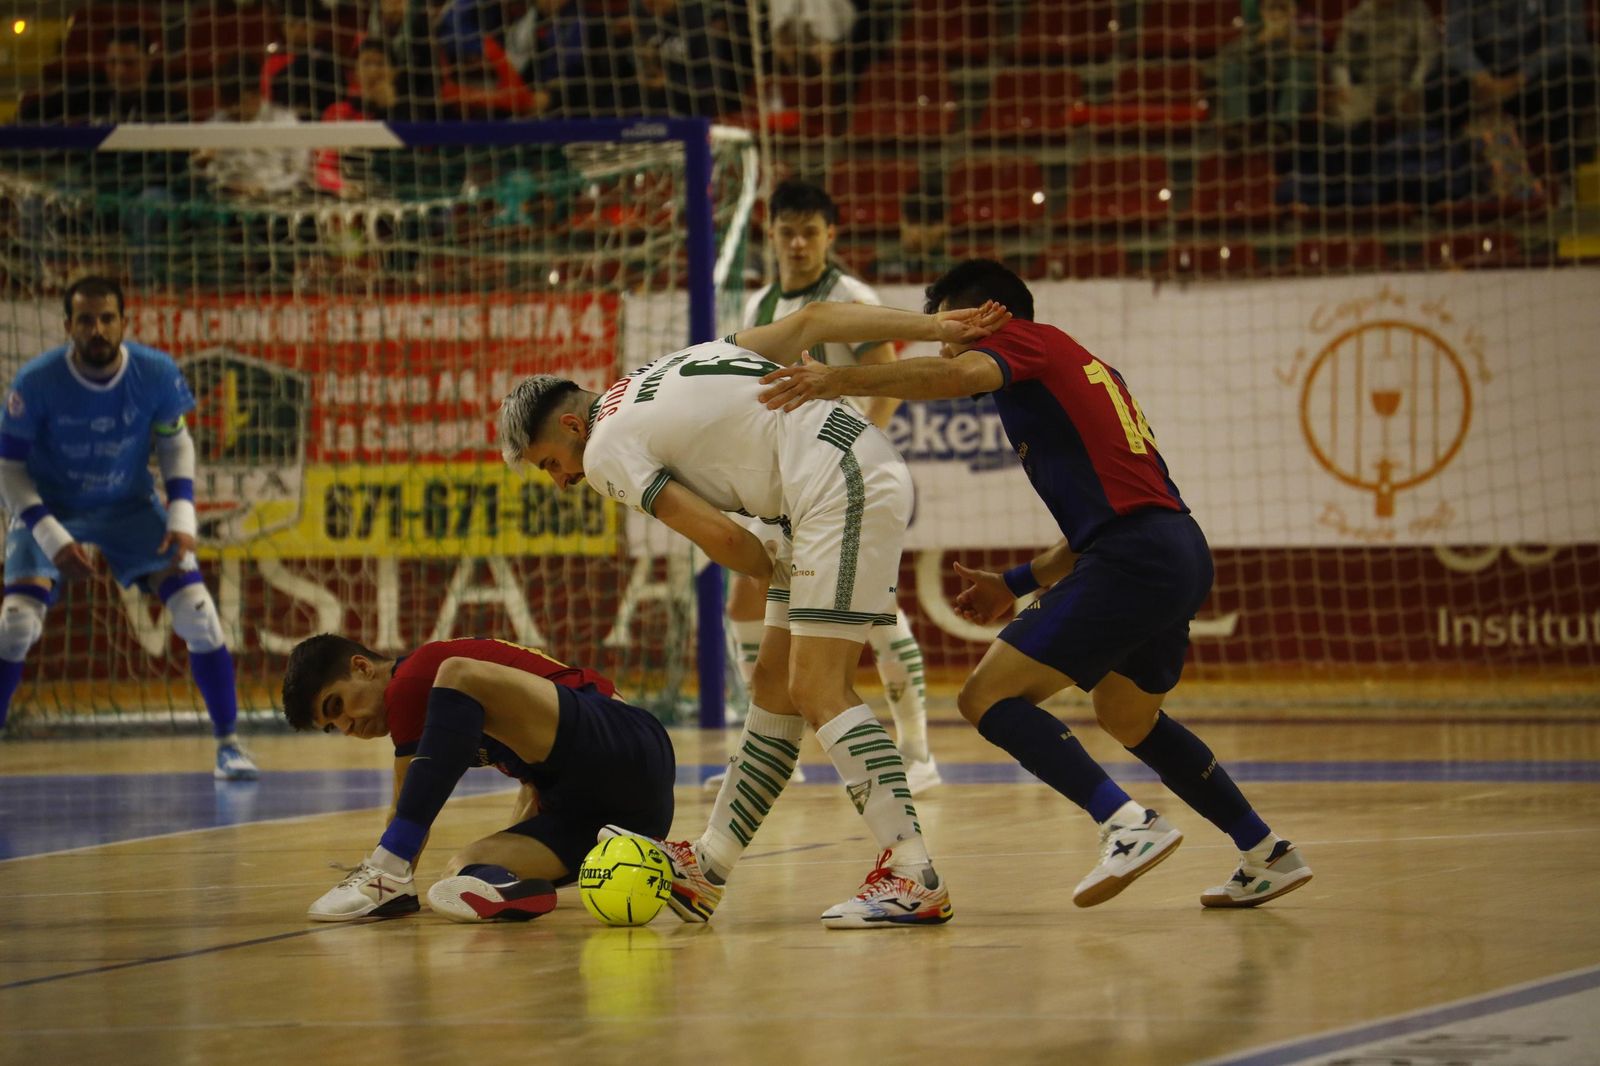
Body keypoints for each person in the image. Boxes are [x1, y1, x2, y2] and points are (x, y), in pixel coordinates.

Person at [758, 259, 1314, 910]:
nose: (941, 344)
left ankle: (1126, 824)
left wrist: (837, 379)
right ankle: (1266, 851)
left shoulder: (1024, 339)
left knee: (985, 698)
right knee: (1128, 715)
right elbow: (1107, 517)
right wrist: (1016, 580)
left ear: (985, 317)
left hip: (1135, 557)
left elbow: (955, 371)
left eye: (947, 327)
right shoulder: (1075, 367)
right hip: (1171, 549)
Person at [496, 301, 1004, 927]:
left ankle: (912, 871)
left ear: (574, 426)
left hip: (832, 487)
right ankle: (708, 867)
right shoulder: (675, 363)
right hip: (832, 480)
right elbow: (811, 321)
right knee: (774, 688)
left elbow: (725, 540)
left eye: (550, 463)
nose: (560, 480)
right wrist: (935, 327)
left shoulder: (603, 450)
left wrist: (769, 572)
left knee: (817, 686)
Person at [718, 178, 940, 794]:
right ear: (770, 235)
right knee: (743, 601)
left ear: (830, 236)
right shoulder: (760, 304)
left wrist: (853, 450)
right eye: (786, 230)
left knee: (876, 612)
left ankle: (918, 752)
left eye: (809, 231)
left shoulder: (848, 295)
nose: (796, 242)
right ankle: (762, 749)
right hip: (781, 482)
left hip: (841, 479)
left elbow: (890, 377)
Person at [0, 276, 256, 780]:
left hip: (129, 506)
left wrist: (182, 515)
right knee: (15, 624)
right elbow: (8, 468)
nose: (97, 329)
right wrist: (51, 536)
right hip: (50, 506)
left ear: (124, 322)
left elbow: (174, 442)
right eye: (86, 320)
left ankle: (229, 745)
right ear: (68, 325)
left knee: (199, 614)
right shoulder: (36, 382)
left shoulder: (155, 373)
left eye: (107, 318)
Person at [286, 633, 676, 923]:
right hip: (627, 819)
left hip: (627, 743)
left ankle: (386, 872)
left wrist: (390, 867)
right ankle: (510, 891)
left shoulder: (413, 678)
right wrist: (518, 848)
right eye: (333, 725)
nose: (347, 725)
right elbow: (534, 782)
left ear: (362, 666)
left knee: (457, 674)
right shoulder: (444, 711)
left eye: (337, 704)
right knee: (462, 874)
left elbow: (404, 802)